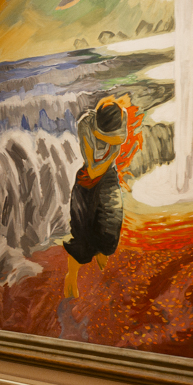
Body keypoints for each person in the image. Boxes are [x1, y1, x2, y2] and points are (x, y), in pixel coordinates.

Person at [63, 94, 138, 298]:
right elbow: (93, 169)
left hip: (108, 176)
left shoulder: (120, 115)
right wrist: (112, 148)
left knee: (111, 228)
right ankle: (71, 276)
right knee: (82, 235)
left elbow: (119, 139)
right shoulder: (86, 124)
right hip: (87, 180)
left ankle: (102, 255)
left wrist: (111, 142)